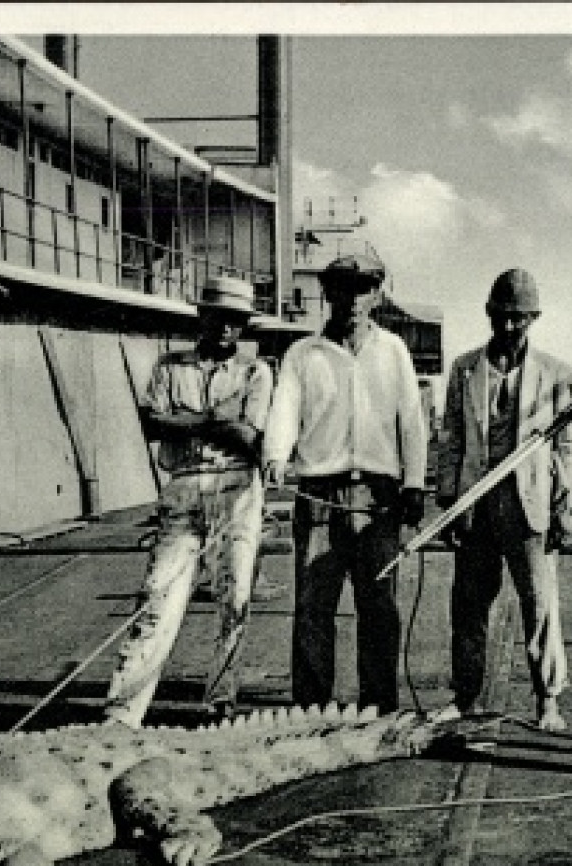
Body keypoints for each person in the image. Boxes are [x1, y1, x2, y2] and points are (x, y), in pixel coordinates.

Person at [261, 252, 429, 713]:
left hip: (379, 496)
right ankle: (312, 709)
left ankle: (379, 708)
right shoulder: (303, 353)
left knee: (379, 606)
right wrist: (276, 454)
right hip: (319, 494)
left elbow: (411, 421)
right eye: (342, 288)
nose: (352, 299)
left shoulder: (393, 349)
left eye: (363, 289)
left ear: (375, 295)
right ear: (327, 293)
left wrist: (413, 481)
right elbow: (284, 409)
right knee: (315, 605)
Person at [104, 276, 274, 725]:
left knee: (234, 596)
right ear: (203, 317)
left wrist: (186, 421)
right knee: (157, 597)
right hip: (183, 488)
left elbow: (248, 436)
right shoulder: (168, 366)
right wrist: (216, 418)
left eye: (236, 322)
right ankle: (123, 712)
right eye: (220, 318)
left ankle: (221, 702)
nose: (227, 330)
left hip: (237, 490)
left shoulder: (256, 372)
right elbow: (152, 425)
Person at [434, 269, 572, 731]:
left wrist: (564, 505)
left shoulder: (558, 373)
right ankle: (466, 696)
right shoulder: (463, 369)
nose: (510, 326)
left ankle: (548, 700)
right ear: (489, 314)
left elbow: (569, 446)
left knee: (539, 603)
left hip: (529, 504)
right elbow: (452, 439)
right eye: (502, 316)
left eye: (520, 318)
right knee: (469, 605)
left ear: (534, 318)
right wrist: (449, 502)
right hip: (476, 504)